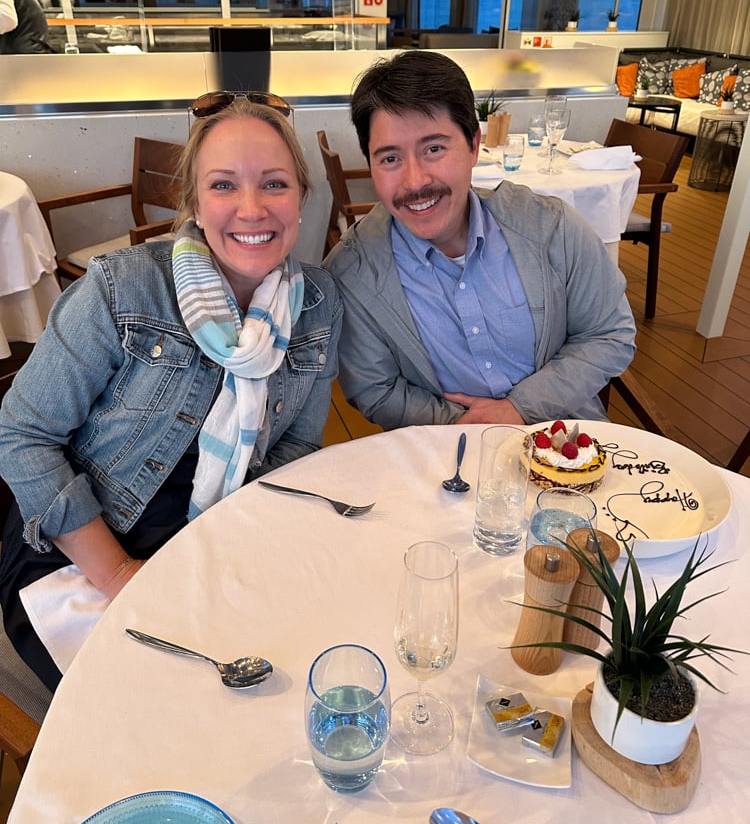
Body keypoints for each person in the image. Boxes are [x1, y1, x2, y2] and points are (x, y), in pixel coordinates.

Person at [0, 93, 342, 690]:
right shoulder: (122, 289)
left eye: (275, 184)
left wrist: (235, 551)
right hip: (83, 552)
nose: (253, 209)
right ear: (194, 204)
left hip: (216, 539)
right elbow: (21, 437)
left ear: (300, 198)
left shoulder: (317, 304)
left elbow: (297, 450)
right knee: (162, 707)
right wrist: (120, 575)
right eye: (223, 185)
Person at [323, 50, 636, 430]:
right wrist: (478, 427)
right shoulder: (352, 274)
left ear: (473, 145)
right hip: (443, 451)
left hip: (564, 441)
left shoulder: (550, 227)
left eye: (434, 149)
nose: (415, 181)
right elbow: (377, 390)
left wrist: (521, 408)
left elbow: (608, 332)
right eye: (390, 159)